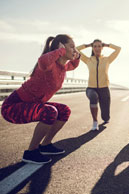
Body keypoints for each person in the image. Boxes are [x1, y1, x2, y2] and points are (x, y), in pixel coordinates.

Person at [1, 34, 80, 164]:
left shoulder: (63, 67)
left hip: (31, 104)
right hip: (12, 107)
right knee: (50, 111)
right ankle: (31, 152)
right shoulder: (48, 65)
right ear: (61, 47)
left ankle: (45, 145)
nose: (75, 50)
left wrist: (77, 56)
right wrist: (59, 51)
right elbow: (42, 61)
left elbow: (74, 65)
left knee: (64, 110)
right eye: (72, 47)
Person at [76, 40, 121, 131]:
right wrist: (87, 45)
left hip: (104, 89)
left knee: (105, 117)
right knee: (93, 97)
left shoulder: (107, 60)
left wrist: (107, 44)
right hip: (91, 88)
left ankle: (105, 117)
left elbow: (118, 49)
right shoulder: (88, 60)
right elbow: (76, 49)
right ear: (93, 48)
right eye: (95, 46)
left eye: (99, 46)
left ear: (102, 47)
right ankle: (95, 122)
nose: (97, 48)